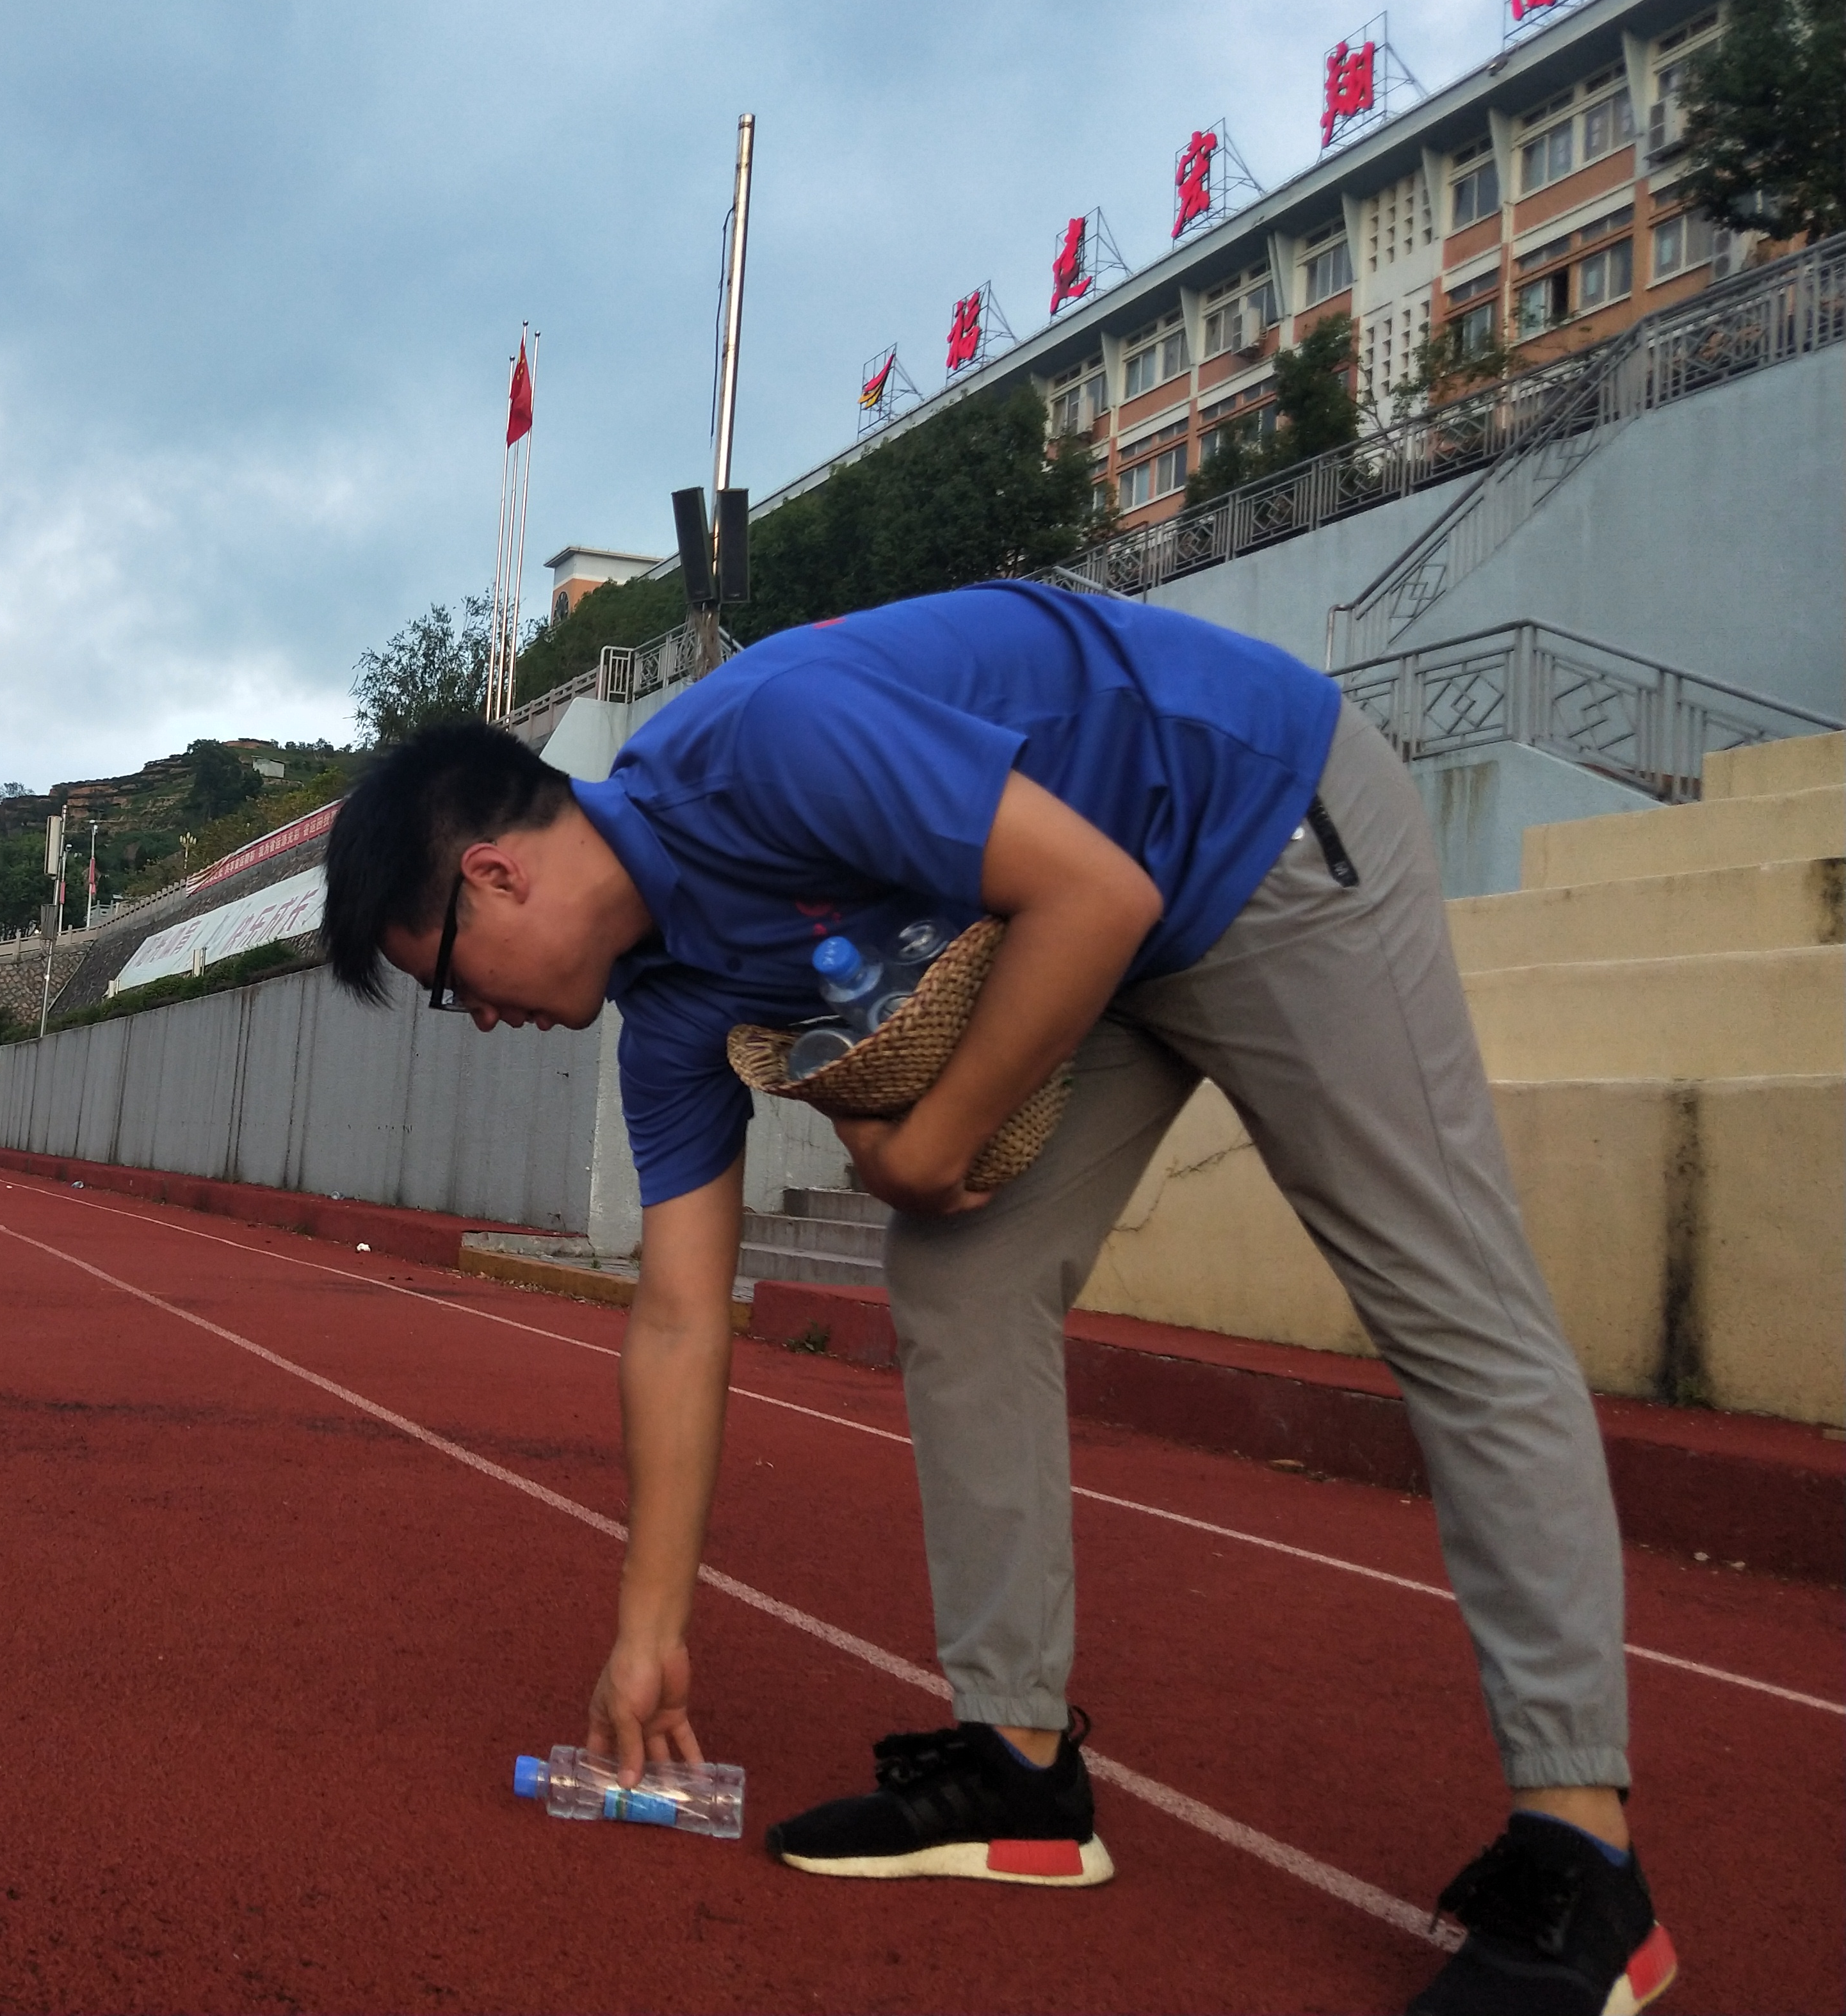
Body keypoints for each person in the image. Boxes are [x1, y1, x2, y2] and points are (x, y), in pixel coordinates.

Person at [322, 582, 1668, 2016]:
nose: (481, 1020)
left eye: (447, 985)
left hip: (1257, 822)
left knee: (1447, 1299)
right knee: (962, 1281)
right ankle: (1020, 1772)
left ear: (492, 878)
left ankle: (1581, 1853)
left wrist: (931, 1143)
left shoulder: (771, 743)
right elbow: (677, 1315)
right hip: (1095, 940)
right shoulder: (671, 1011)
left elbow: (1097, 892)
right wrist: (648, 1633)